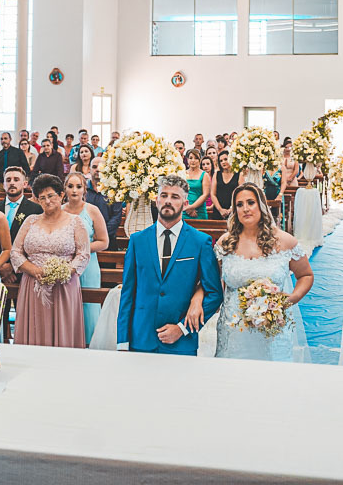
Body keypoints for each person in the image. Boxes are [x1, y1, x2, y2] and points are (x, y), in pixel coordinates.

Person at [205, 183, 314, 362]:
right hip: (233, 330)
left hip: (271, 329)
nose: (245, 209)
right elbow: (214, 283)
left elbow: (306, 275)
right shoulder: (225, 243)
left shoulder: (285, 241)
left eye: (251, 202)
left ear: (261, 205)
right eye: (239, 205)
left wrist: (292, 298)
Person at [117, 174, 223, 355]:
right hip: (141, 338)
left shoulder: (200, 242)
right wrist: (122, 341)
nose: (168, 201)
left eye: (175, 197)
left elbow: (214, 293)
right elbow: (128, 292)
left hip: (181, 342)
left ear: (185, 203)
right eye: (164, 195)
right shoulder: (137, 241)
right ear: (156, 200)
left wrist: (183, 328)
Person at [10, 174, 90, 348]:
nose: (47, 201)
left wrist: (64, 272)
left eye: (51, 196)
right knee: (35, 327)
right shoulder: (30, 221)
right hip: (33, 284)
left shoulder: (76, 222)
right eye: (42, 198)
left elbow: (83, 254)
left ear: (61, 195)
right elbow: (15, 252)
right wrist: (33, 270)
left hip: (64, 285)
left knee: (63, 331)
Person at [63, 171, 108, 344]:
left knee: (89, 307)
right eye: (70, 186)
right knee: (66, 305)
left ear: (84, 190)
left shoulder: (92, 211)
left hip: (88, 265)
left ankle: (91, 343)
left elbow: (104, 241)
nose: (74, 190)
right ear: (65, 189)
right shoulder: (59, 211)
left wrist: (81, 249)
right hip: (65, 264)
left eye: (78, 186)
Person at [86, 157, 124, 246]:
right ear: (89, 169)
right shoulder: (83, 189)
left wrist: (100, 234)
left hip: (108, 239)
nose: (97, 169)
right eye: (94, 167)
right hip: (85, 238)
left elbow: (116, 216)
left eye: (101, 166)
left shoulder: (113, 190)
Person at [0, 167, 41, 242]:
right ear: (3, 185)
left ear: (25, 184)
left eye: (16, 180)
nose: (12, 183)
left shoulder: (36, 209)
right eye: (8, 180)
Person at [182, 148, 211, 220]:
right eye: (190, 158)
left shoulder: (204, 175)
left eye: (196, 158)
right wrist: (187, 208)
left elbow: (205, 195)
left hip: (199, 211)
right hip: (184, 210)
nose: (193, 160)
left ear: (200, 160)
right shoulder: (182, 174)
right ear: (187, 160)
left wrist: (192, 207)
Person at [212, 149, 238, 220]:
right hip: (218, 211)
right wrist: (220, 209)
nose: (223, 162)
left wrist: (231, 209)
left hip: (234, 211)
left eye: (225, 159)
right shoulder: (216, 174)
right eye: (221, 161)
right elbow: (213, 194)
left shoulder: (238, 174)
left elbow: (241, 194)